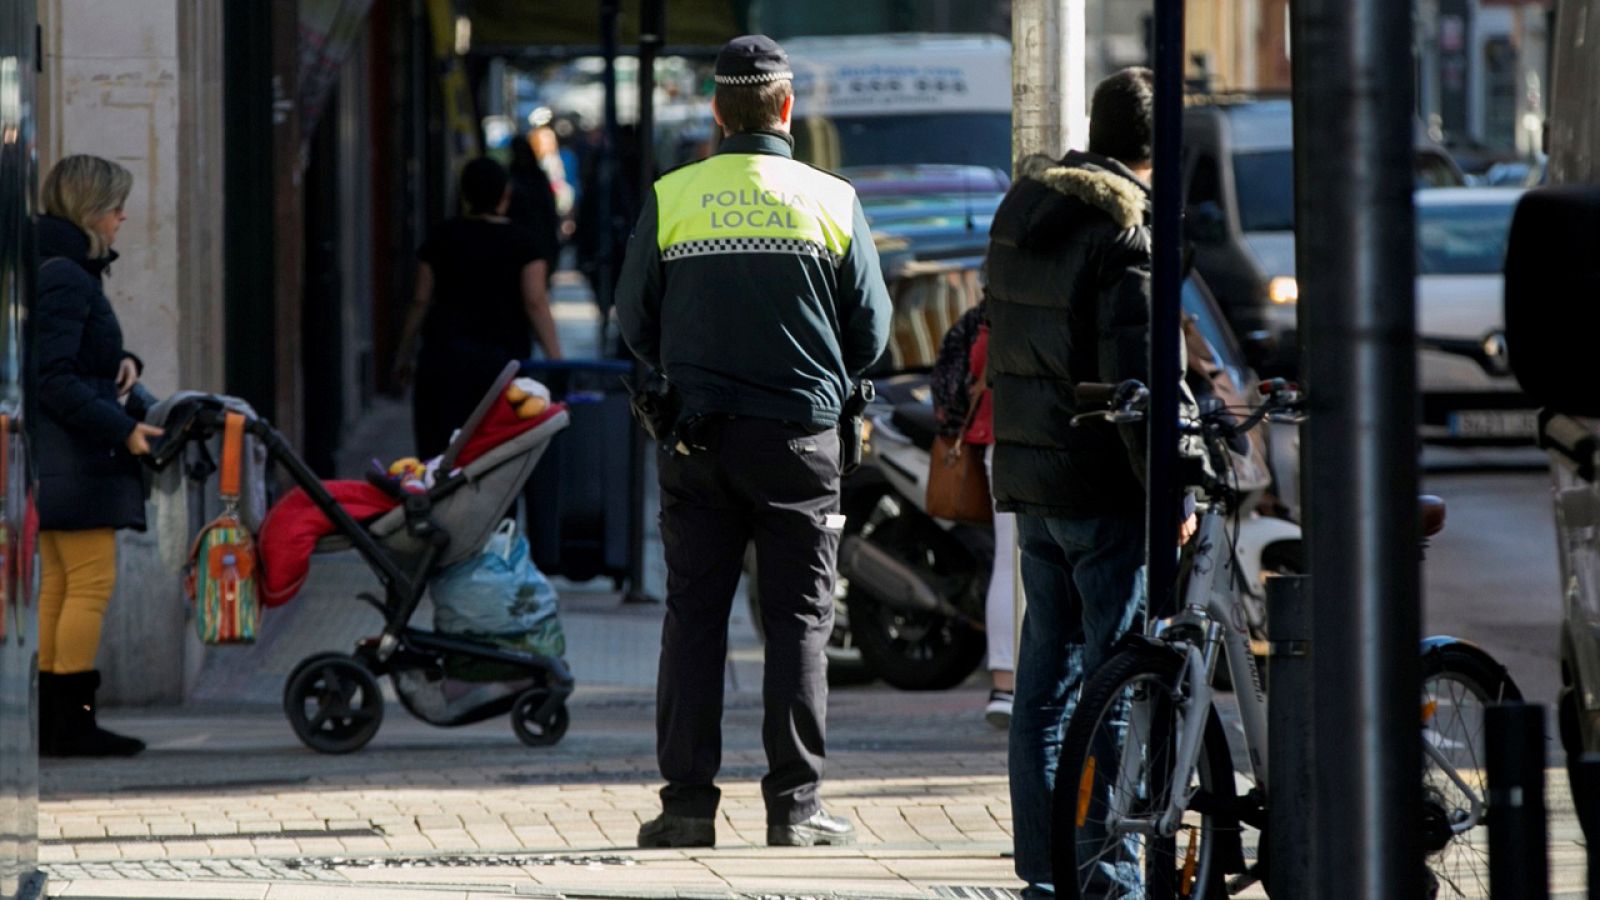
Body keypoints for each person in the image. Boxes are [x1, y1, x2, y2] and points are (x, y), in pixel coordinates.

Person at [615, 34, 892, 850]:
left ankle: (687, 809)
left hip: (696, 441)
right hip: (801, 444)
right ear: (786, 109)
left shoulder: (674, 196)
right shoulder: (831, 200)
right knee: (800, 622)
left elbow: (634, 320)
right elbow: (870, 332)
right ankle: (796, 809)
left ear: (715, 112)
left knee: (694, 620)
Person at [986, 68, 1196, 897]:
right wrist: (1170, 491)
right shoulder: (1125, 231)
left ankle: (1046, 870)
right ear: (1161, 146)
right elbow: (1136, 380)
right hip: (1105, 493)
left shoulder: (1025, 210)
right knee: (1116, 683)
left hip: (1035, 482)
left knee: (1044, 687)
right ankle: (1105, 873)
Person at [33, 154, 164, 757]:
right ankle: (72, 723)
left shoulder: (54, 265)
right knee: (87, 583)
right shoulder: (67, 273)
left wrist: (123, 360)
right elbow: (53, 375)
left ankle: (56, 722)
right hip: (75, 456)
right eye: (115, 207)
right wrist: (124, 429)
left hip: (57, 455)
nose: (122, 217)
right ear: (90, 211)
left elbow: (74, 354)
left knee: (60, 584)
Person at [394, 157, 562, 458]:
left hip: (442, 360)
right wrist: (556, 362)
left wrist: (403, 356)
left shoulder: (441, 238)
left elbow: (420, 300)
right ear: (505, 195)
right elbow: (535, 302)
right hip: (502, 367)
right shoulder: (525, 244)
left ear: (464, 195)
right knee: (495, 456)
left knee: (438, 456)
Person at [930, 299, 1016, 729]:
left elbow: (951, 375)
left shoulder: (991, 306)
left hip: (998, 439)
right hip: (1051, 436)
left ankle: (1005, 683)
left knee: (1008, 560)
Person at [506, 133, 563, 267]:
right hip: (538, 236)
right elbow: (549, 208)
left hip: (524, 236)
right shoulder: (537, 176)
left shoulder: (512, 177)